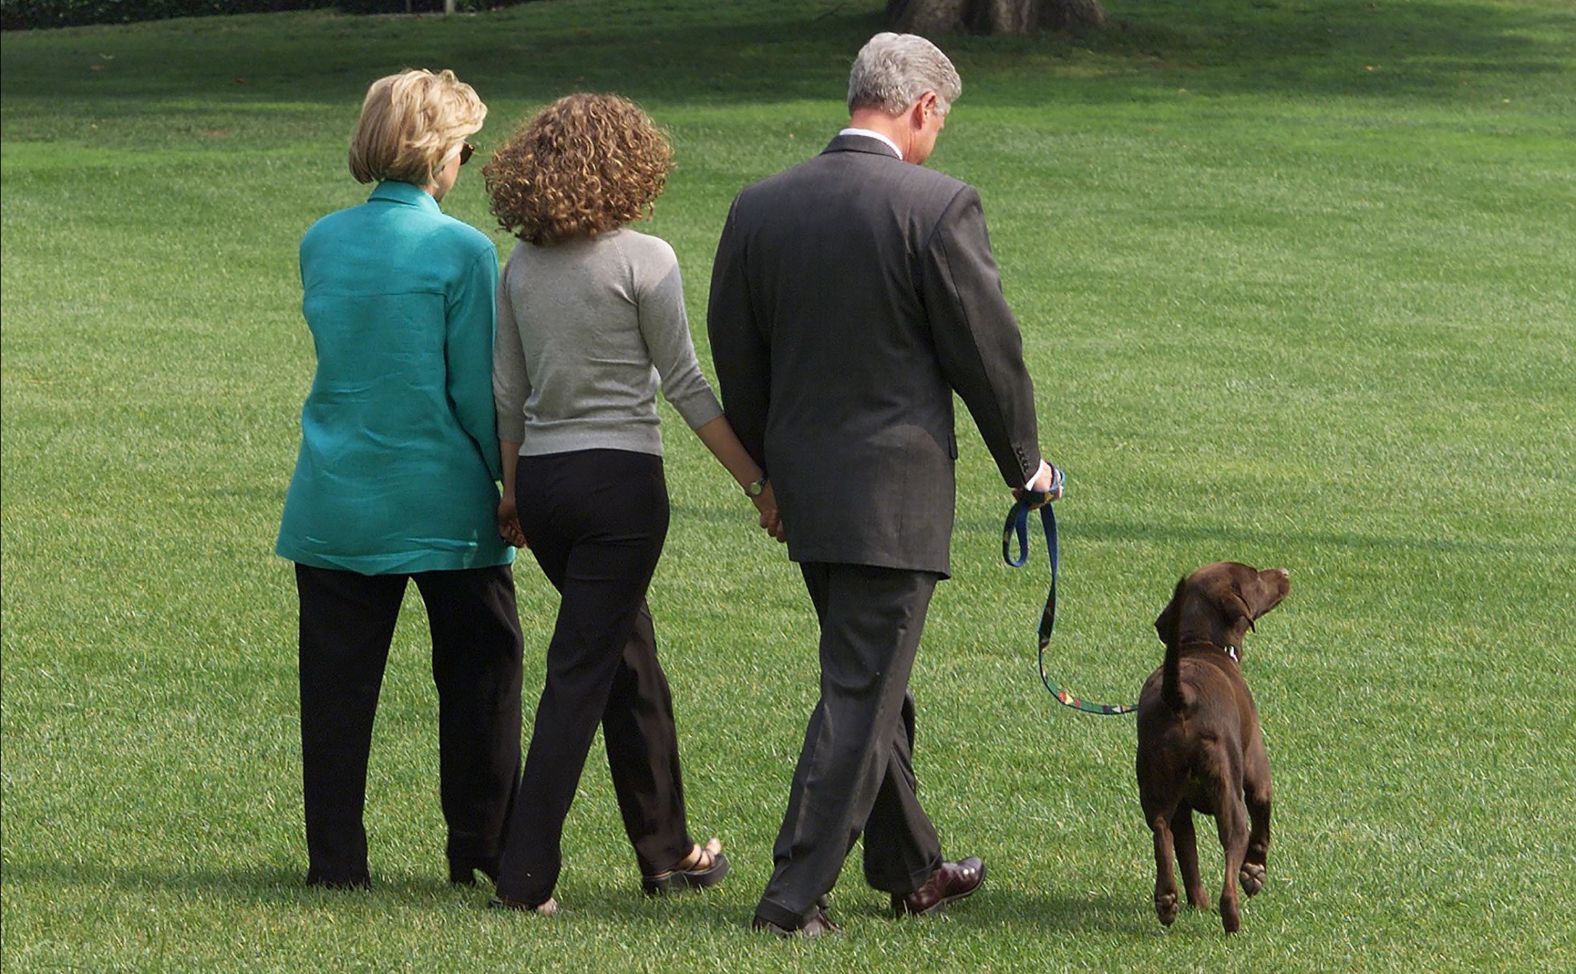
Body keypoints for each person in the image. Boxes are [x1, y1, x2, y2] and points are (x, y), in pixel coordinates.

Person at [706, 32, 1065, 937]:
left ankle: (912, 869)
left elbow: (735, 351)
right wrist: (1026, 465)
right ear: (923, 109)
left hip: (804, 490)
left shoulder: (760, 206)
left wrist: (765, 475)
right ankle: (791, 901)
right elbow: (988, 352)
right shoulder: (938, 207)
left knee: (871, 679)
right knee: (863, 694)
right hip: (891, 496)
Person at [483, 93, 782, 916]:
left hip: (543, 488)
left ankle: (668, 852)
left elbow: (509, 391)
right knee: (580, 672)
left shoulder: (520, 266)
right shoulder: (647, 259)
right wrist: (759, 486)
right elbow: (685, 386)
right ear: (630, 165)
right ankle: (525, 876)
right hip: (620, 492)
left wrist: (512, 490)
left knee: (626, 659)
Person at [275, 68, 523, 890]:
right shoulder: (462, 249)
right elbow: (473, 392)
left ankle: (336, 864)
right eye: (466, 148)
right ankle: (482, 854)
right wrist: (509, 484)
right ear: (440, 155)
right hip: (444, 502)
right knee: (481, 680)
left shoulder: (320, 239)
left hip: (335, 498)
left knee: (335, 698)